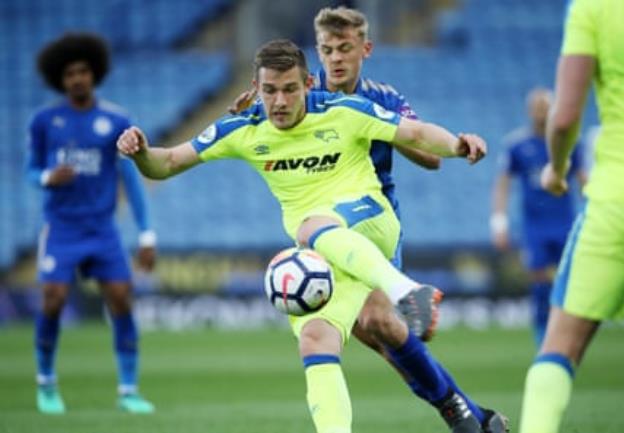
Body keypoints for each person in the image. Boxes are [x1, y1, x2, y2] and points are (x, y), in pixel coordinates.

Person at [119, 39, 490, 433]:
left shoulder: (343, 110)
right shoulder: (243, 129)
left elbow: (414, 133)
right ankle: (461, 411)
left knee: (310, 227)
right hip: (327, 253)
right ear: (256, 88)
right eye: (270, 90)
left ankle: (406, 291)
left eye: (290, 89)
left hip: (369, 222)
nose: (279, 101)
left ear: (309, 84)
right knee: (316, 338)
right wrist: (141, 152)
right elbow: (170, 162)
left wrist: (455, 144)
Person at [230, 7, 507, 433]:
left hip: (370, 224)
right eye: (326, 50)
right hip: (323, 229)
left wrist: (384, 126)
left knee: (378, 321)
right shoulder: (297, 93)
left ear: (366, 49)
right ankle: (466, 411)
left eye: (345, 49)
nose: (335, 58)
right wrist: (251, 112)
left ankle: (459, 410)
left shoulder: (383, 98)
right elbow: (257, 129)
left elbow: (430, 157)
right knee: (379, 339)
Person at [519, 1, 624, 432]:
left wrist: (556, 170)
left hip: (622, 197)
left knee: (558, 350)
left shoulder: (594, 6)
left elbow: (566, 117)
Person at [28, 33, 157, 414]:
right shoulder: (44, 121)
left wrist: (147, 234)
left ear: (94, 74)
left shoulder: (115, 121)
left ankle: (129, 390)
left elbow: (131, 179)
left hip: (103, 231)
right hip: (61, 228)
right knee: (52, 301)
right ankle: (46, 383)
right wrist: (47, 178)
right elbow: (30, 171)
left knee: (120, 299)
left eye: (83, 71)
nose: (78, 79)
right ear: (60, 79)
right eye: (70, 74)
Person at [491, 88, 587, 347]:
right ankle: (541, 335)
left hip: (565, 221)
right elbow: (503, 184)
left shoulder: (570, 142)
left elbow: (583, 179)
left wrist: (594, 212)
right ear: (529, 111)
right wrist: (499, 222)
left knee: (569, 280)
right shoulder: (517, 145)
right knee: (539, 281)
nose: (541, 112)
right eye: (537, 107)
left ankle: (568, 334)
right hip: (535, 225)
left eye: (545, 107)